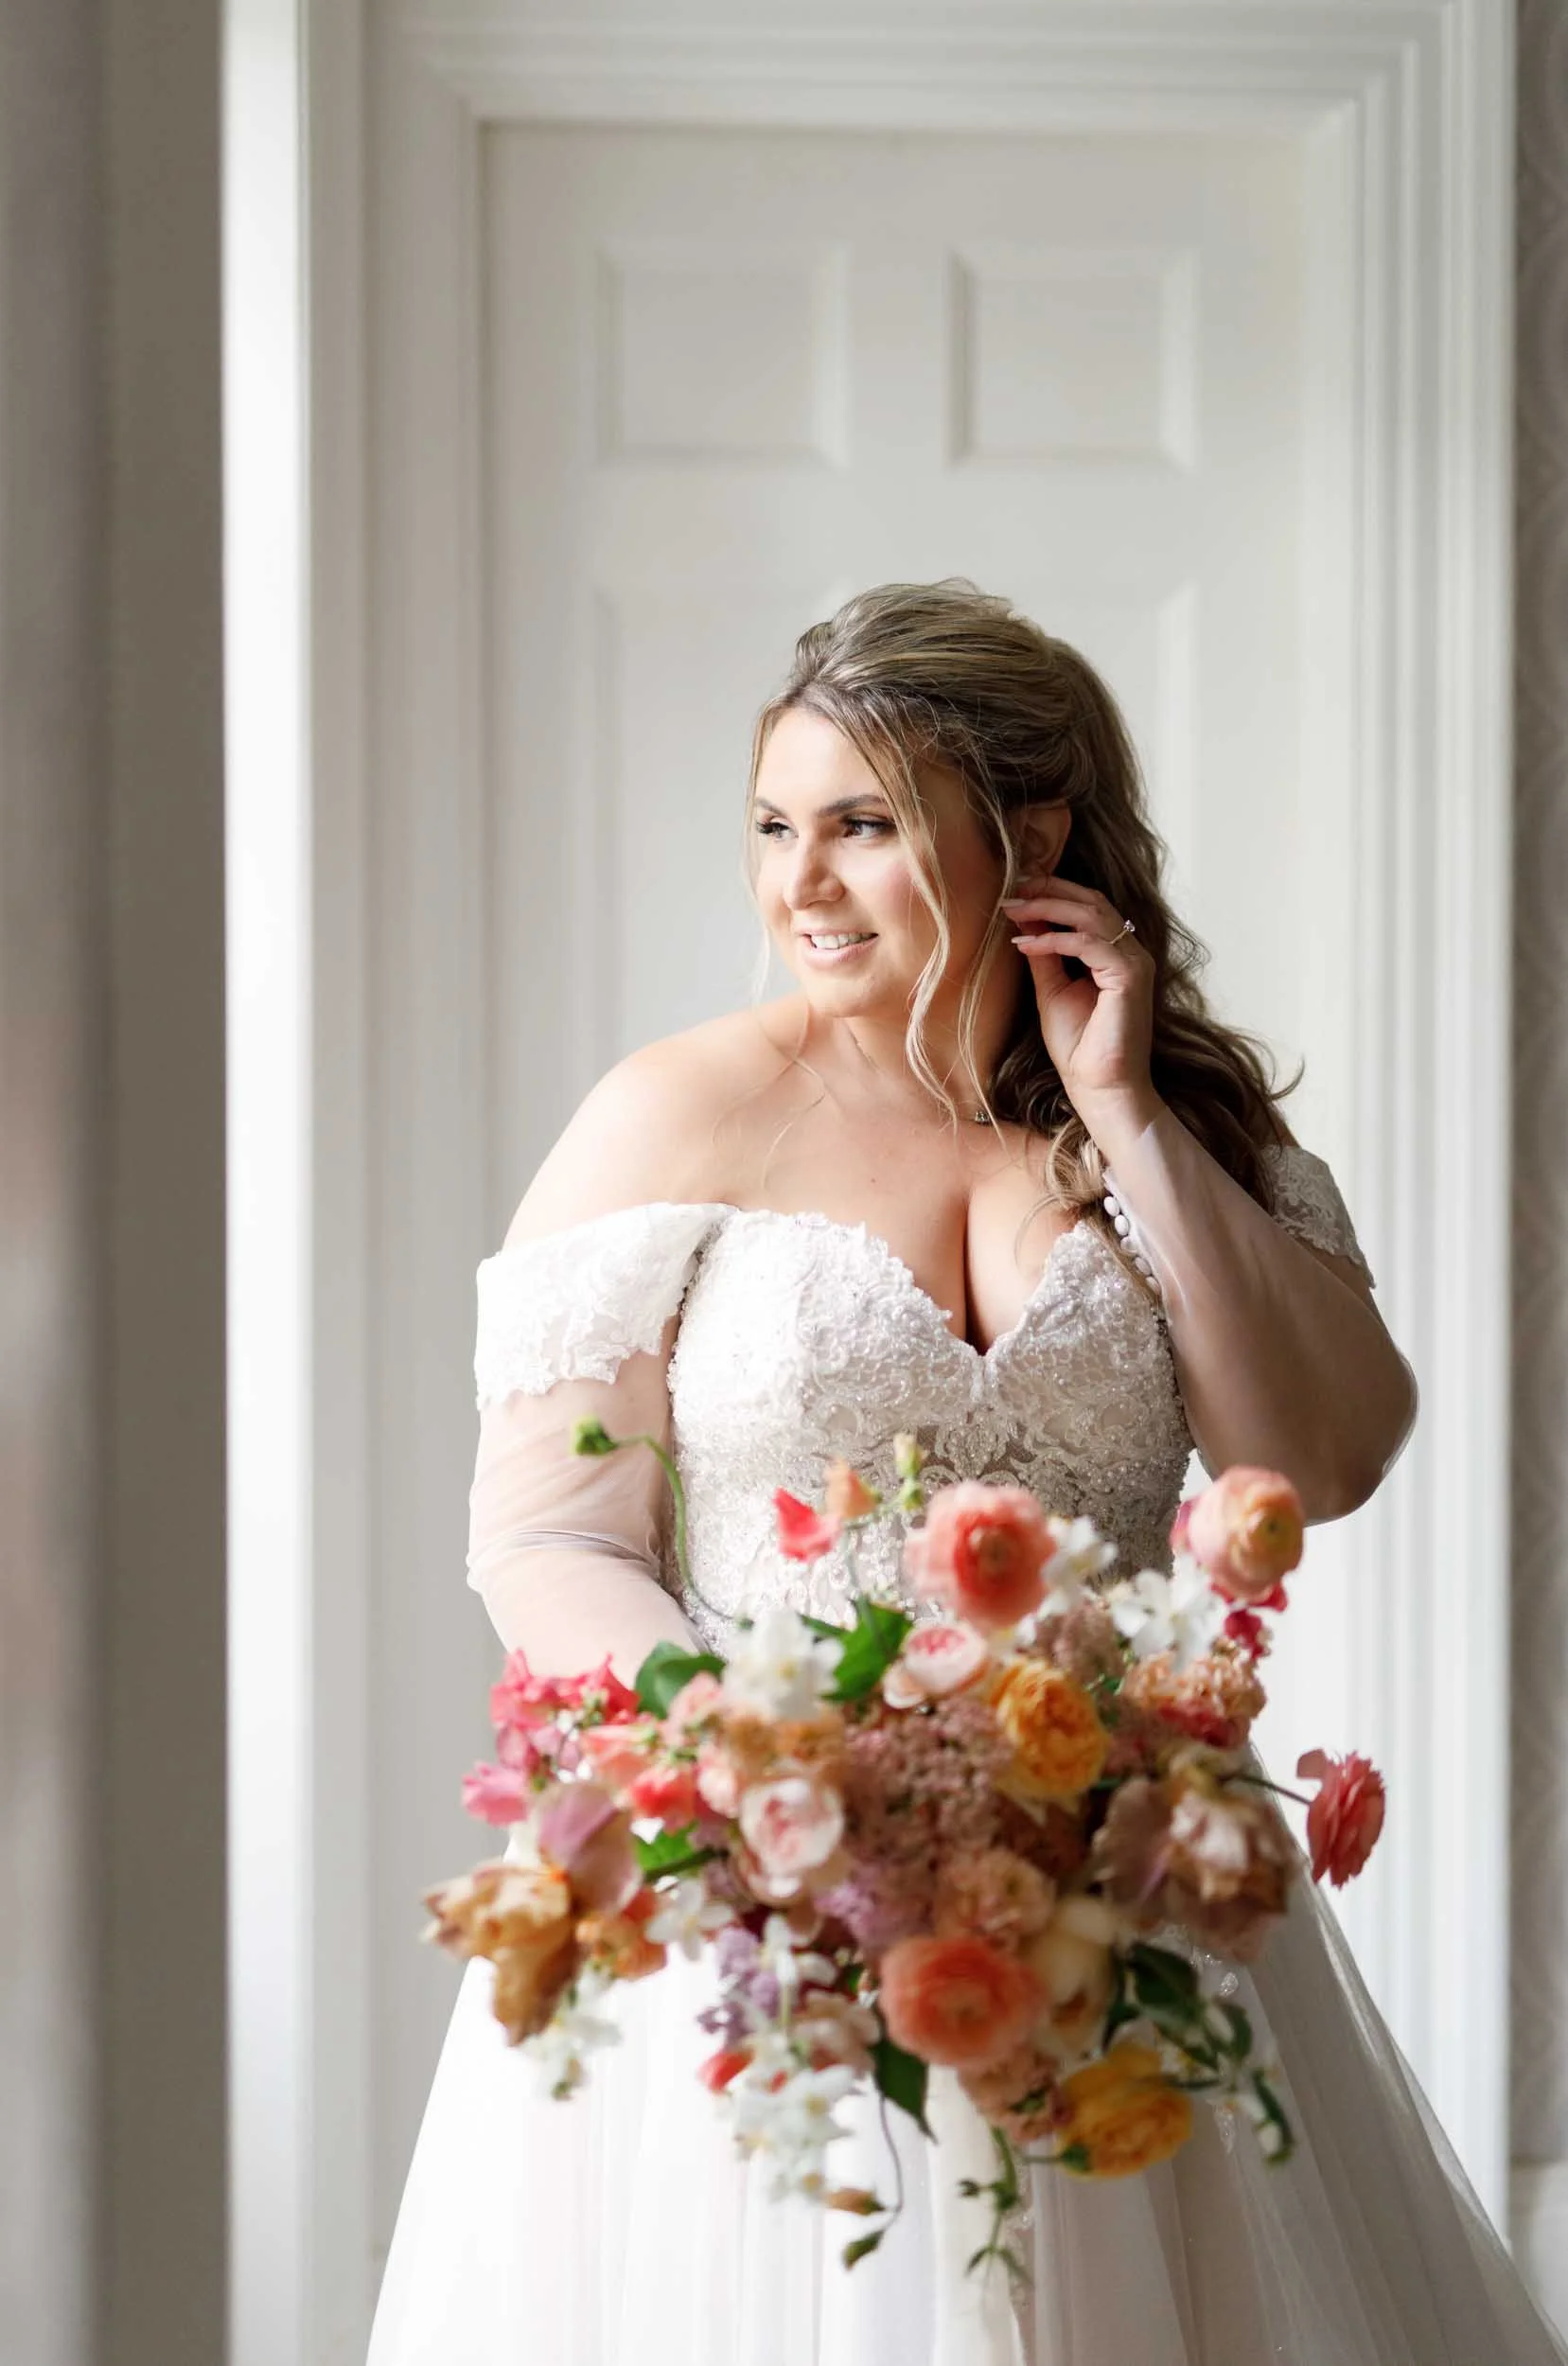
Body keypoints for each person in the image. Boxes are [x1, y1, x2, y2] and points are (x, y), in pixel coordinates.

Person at [366, 582, 1566, 2364]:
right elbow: (544, 1531)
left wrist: (1135, 1121)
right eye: (775, 828)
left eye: (860, 827)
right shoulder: (679, 1112)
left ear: (1033, 836)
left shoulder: (1177, 1121)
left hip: (1112, 1885)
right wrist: (773, 1767)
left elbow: (1318, 1458)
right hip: (767, 1896)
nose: (800, 884)